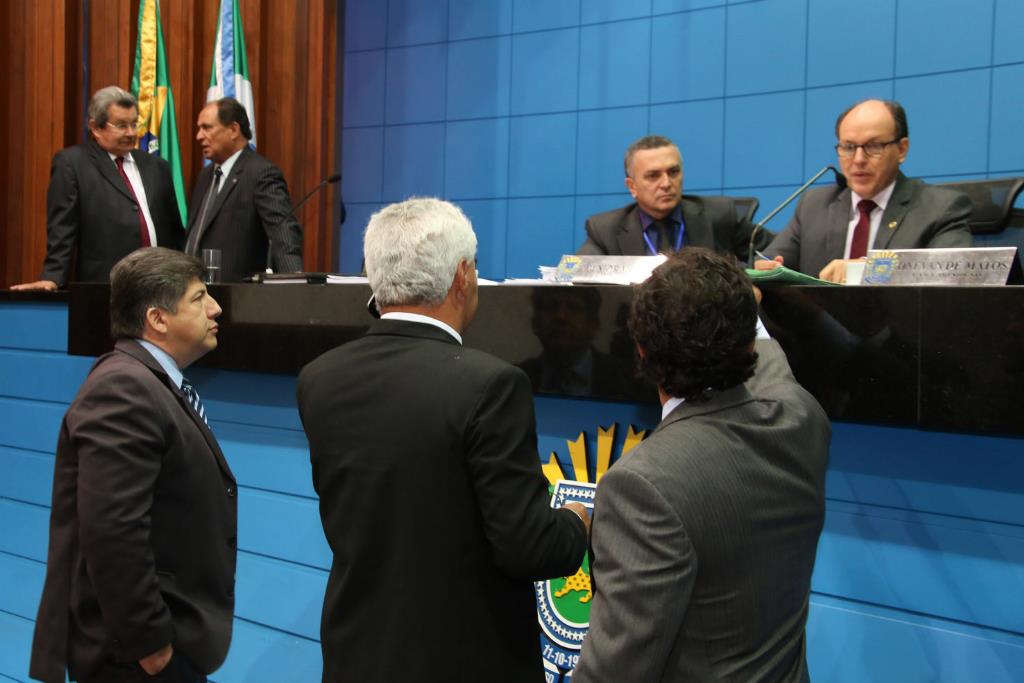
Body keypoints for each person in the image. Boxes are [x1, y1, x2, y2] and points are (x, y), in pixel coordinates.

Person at [297, 197, 590, 683]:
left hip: (357, 654)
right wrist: (577, 521)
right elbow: (530, 548)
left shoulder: (318, 378)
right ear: (463, 276)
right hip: (464, 660)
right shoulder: (491, 385)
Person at [573, 248, 831, 683]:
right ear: (747, 344)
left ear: (641, 352)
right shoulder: (803, 422)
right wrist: (746, 311)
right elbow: (774, 373)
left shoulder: (642, 486)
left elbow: (615, 672)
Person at [30, 248, 236, 683]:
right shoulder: (124, 388)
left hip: (160, 644)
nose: (216, 308)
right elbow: (113, 529)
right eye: (199, 298)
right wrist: (151, 646)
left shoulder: (149, 382)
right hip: (135, 657)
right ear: (158, 319)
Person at [759, 99, 973, 282]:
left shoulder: (940, 208)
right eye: (848, 147)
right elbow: (769, 260)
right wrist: (767, 268)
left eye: (874, 146)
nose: (858, 159)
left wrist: (862, 269)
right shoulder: (814, 204)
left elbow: (951, 274)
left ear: (901, 149)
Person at [12, 86, 183, 291]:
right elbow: (63, 228)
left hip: (161, 287)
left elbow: (174, 231)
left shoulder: (157, 166)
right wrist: (53, 276)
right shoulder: (73, 164)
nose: (131, 133)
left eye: (134, 124)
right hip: (106, 286)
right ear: (95, 127)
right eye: (121, 125)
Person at [577, 135, 771, 261]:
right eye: (653, 176)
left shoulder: (719, 214)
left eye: (673, 172)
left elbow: (776, 252)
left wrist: (751, 279)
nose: (666, 183)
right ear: (632, 187)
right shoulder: (605, 229)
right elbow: (572, 276)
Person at [185, 97, 303, 281]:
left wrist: (294, 281)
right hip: (196, 288)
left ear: (233, 130)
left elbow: (283, 231)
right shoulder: (206, 175)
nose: (199, 136)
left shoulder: (260, 173)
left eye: (207, 128)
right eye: (199, 128)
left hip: (236, 291)